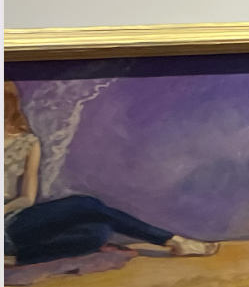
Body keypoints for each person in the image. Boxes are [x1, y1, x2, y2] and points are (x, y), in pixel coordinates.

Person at [4, 82, 216, 267]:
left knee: (97, 233)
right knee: (86, 204)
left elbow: (27, 198)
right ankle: (172, 240)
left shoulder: (28, 142)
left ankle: (15, 258)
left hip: (13, 218)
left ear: (10, 105)